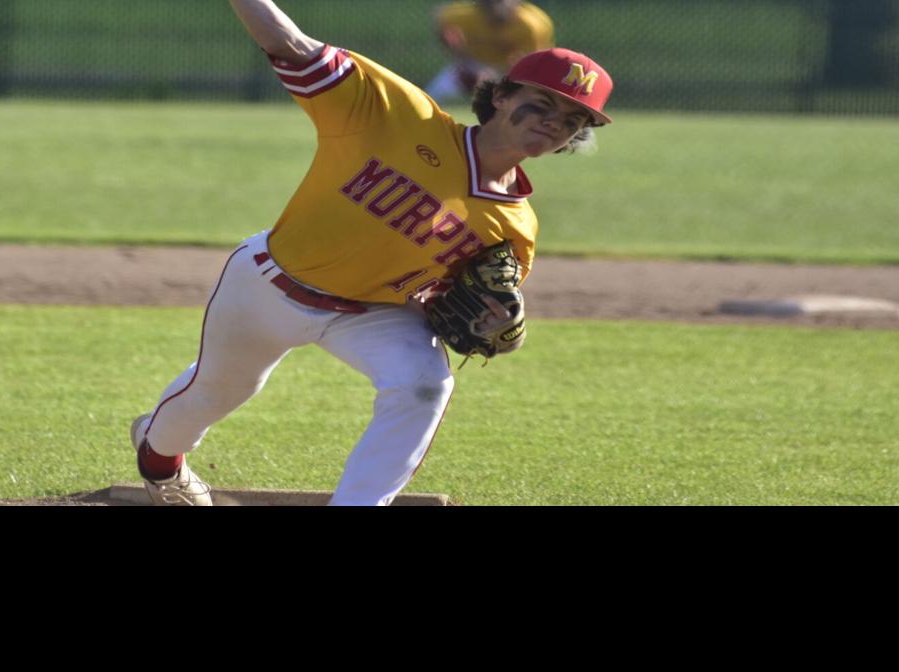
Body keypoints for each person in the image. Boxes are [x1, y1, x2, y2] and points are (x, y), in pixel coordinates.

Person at [129, 0, 614, 506]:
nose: (553, 122)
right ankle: (162, 465)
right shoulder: (400, 115)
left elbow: (462, 308)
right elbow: (289, 44)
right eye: (542, 103)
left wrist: (500, 332)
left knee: (424, 385)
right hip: (269, 285)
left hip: (369, 313)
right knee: (216, 394)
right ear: (503, 94)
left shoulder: (515, 228)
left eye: (571, 119)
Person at [425, 0, 556, 103]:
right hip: (473, 65)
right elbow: (440, 21)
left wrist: (499, 77)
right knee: (431, 96)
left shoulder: (531, 24)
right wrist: (463, 62)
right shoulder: (462, 16)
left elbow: (532, 64)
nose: (495, 6)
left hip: (510, 71)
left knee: (530, 99)